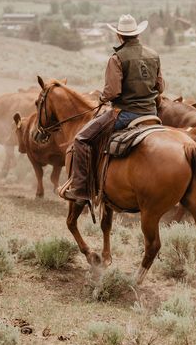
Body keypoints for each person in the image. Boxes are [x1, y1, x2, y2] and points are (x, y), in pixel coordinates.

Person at [63, 14, 165, 204]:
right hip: (151, 114)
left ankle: (82, 189)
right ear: (137, 34)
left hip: (125, 114)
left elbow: (113, 92)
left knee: (81, 139)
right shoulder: (153, 55)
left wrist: (102, 97)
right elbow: (161, 87)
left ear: (119, 35)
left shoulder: (117, 58)